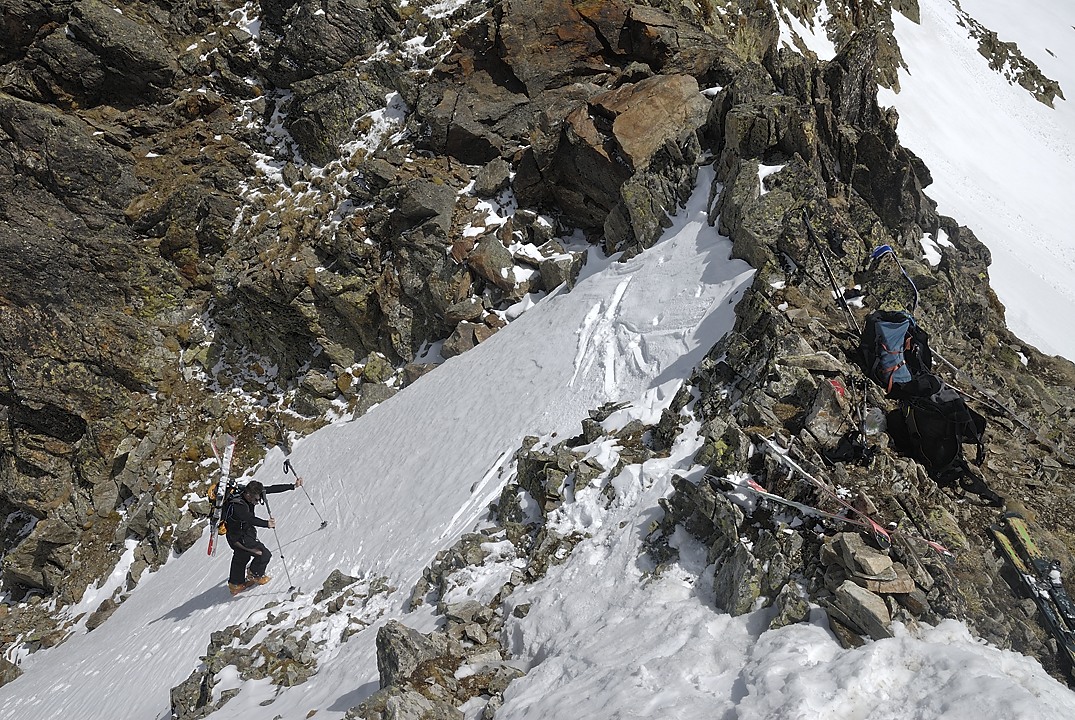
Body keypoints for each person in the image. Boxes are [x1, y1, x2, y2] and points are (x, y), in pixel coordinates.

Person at [224, 477, 302, 594]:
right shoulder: (238, 506)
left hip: (242, 534)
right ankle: (255, 575)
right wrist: (267, 524)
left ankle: (236, 584)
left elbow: (271, 489)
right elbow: (249, 518)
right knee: (263, 554)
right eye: (256, 499)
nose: (258, 500)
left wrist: (292, 486)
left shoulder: (250, 492)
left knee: (241, 556)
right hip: (239, 537)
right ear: (249, 495)